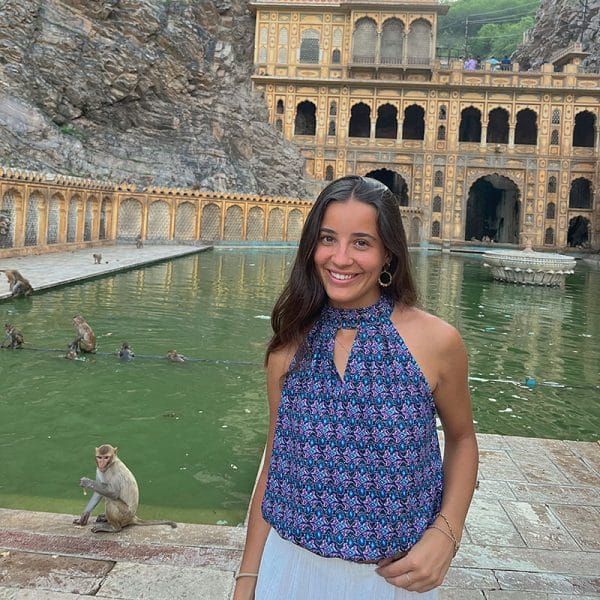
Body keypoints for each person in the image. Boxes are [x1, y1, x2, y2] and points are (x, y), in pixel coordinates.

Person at [234, 176, 478, 600]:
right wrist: (247, 579)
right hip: (291, 568)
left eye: (361, 242)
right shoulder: (288, 349)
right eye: (328, 238)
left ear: (388, 254)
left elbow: (462, 439)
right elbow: (275, 461)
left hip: (391, 580)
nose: (340, 258)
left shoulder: (435, 342)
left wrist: (446, 534)